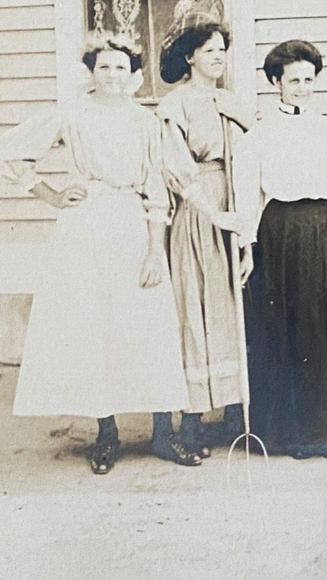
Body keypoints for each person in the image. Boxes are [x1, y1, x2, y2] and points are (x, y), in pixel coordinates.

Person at [1, 33, 199, 474]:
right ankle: (106, 434)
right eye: (104, 67)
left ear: (134, 76)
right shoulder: (71, 114)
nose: (113, 75)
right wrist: (50, 194)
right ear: (91, 71)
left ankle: (162, 433)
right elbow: (11, 151)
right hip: (85, 227)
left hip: (132, 225)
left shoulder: (146, 123)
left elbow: (156, 191)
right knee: (96, 329)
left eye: (121, 68)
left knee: (148, 324)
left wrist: (154, 251)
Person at [235, 40, 327, 459]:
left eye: (308, 80)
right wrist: (247, 248)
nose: (301, 87)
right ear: (276, 81)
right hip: (283, 232)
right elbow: (248, 196)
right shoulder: (260, 134)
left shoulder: (326, 129)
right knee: (292, 328)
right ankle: (294, 435)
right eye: (293, 79)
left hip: (326, 229)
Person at [158, 0, 255, 457]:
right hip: (197, 214)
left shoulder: (232, 104)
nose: (218, 57)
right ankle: (192, 421)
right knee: (195, 310)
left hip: (232, 209)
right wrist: (215, 215)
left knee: (228, 308)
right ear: (191, 56)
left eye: (223, 50)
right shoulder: (174, 106)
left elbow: (247, 166)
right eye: (210, 50)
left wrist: (245, 235)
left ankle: (234, 414)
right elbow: (177, 172)